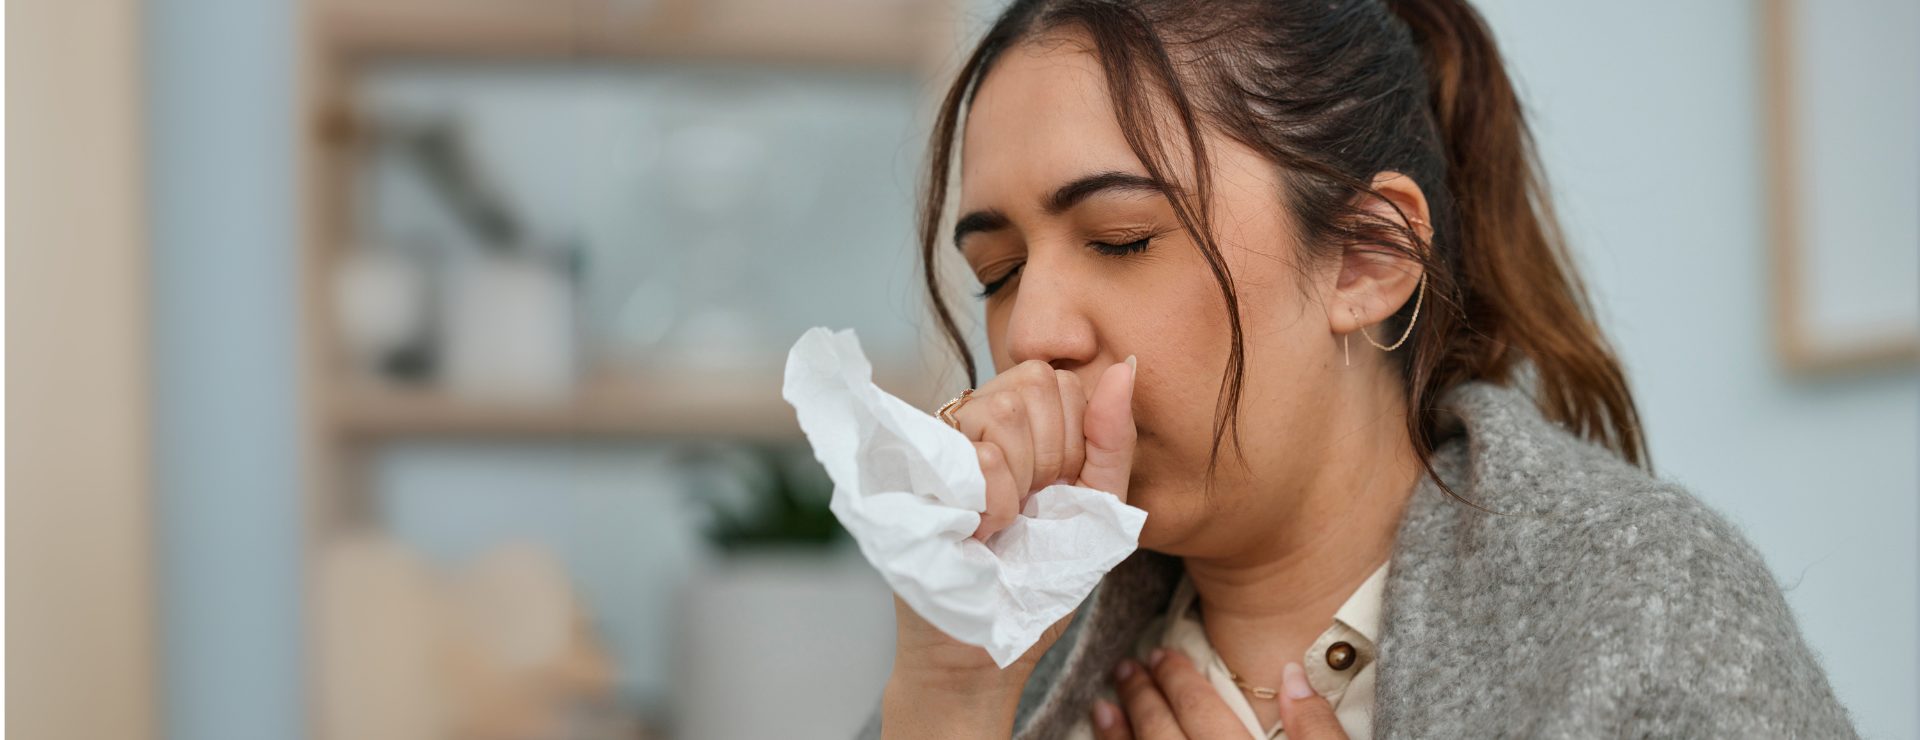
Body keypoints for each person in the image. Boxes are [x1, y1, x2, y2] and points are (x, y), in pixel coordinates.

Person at [860, 0, 1860, 737]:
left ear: (1368, 257)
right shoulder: (1015, 646)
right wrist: (951, 692)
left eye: (1121, 239)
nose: (1033, 329)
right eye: (997, 271)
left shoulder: (1643, 607)